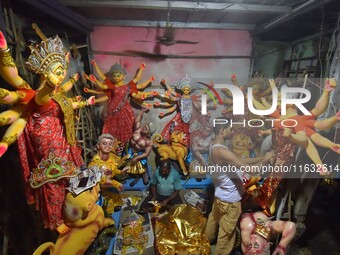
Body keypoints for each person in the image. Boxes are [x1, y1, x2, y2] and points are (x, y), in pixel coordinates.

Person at [0, 28, 95, 232]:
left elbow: (67, 104)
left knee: (68, 175)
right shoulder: (40, 94)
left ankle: (71, 211)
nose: (60, 76)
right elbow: (42, 99)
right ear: (45, 73)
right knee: (53, 179)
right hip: (45, 138)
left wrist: (86, 102)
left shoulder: (57, 91)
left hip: (61, 136)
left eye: (62, 71)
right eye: (57, 72)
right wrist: (47, 87)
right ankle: (56, 220)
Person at [204, 118, 274, 255]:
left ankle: (206, 241)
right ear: (222, 131)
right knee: (226, 233)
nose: (232, 131)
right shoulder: (222, 151)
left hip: (220, 195)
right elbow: (251, 170)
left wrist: (260, 158)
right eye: (230, 129)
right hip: (230, 201)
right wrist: (265, 160)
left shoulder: (216, 146)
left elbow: (240, 160)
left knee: (213, 220)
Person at [84, 61, 156, 146]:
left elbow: (137, 85)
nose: (116, 77)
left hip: (124, 112)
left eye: (119, 75)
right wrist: (95, 75)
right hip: (112, 112)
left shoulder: (128, 86)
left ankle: (123, 147)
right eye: (114, 76)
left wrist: (142, 69)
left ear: (123, 75)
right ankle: (111, 146)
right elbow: (103, 85)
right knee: (111, 130)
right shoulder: (112, 86)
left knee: (125, 130)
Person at [126, 108, 154, 187]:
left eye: (147, 128)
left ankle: (144, 176)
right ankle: (133, 176)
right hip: (130, 151)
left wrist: (137, 158)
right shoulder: (138, 130)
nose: (144, 128)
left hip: (140, 154)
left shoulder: (149, 142)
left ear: (149, 132)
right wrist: (142, 111)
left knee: (141, 166)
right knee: (127, 165)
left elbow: (146, 153)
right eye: (145, 126)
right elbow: (137, 121)